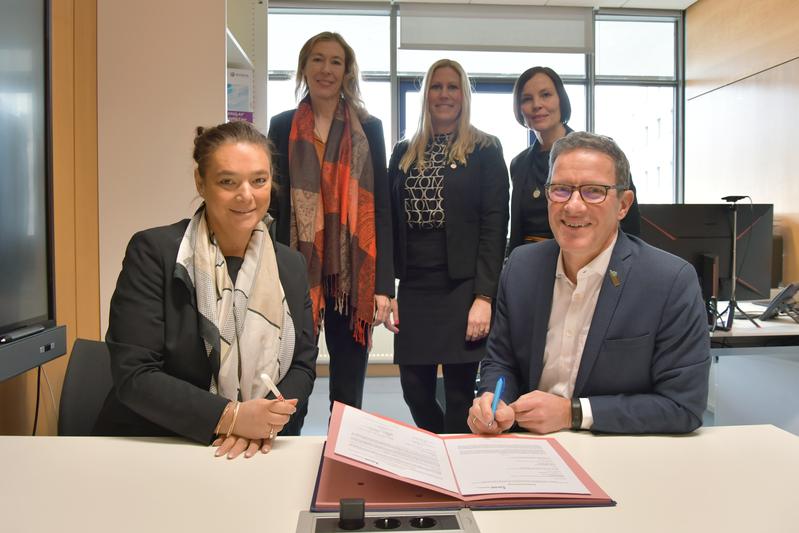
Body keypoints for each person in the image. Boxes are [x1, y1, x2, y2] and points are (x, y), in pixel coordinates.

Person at [94, 121, 318, 459]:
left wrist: (264, 422)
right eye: (228, 181)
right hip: (161, 447)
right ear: (201, 182)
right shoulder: (155, 252)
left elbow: (303, 364)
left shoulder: (291, 265)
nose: (246, 195)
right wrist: (232, 418)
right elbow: (135, 375)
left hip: (259, 450)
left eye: (259, 180)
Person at [468, 132, 709, 435]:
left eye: (594, 192)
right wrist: (493, 399)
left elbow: (683, 406)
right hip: (531, 452)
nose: (573, 206)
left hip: (617, 452)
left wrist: (574, 413)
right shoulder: (520, 267)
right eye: (561, 190)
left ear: (623, 205)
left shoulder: (669, 281)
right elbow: (501, 362)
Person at [267, 32, 393, 419]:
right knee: (290, 376)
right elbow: (274, 205)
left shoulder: (369, 128)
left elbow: (381, 208)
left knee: (348, 385)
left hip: (352, 276)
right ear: (304, 67)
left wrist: (384, 287)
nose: (326, 69)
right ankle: (285, 447)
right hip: (296, 271)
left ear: (347, 71)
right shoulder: (282, 126)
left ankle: (345, 459)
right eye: (317, 60)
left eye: (335, 61)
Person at [387, 59, 509, 434]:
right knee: (414, 389)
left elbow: (494, 225)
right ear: (426, 95)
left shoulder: (486, 148)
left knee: (459, 394)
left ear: (464, 95)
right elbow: (389, 223)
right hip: (415, 285)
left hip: (463, 284)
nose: (444, 94)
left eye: (452, 87)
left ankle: (454, 464)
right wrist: (387, 290)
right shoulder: (404, 151)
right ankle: (441, 447)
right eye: (436, 87)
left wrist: (484, 297)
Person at [507, 66, 641, 254]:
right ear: (519, 108)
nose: (536, 104)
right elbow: (518, 231)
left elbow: (629, 224)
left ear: (561, 100)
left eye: (545, 95)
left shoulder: (600, 153)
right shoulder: (519, 163)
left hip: (586, 260)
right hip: (531, 264)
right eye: (527, 99)